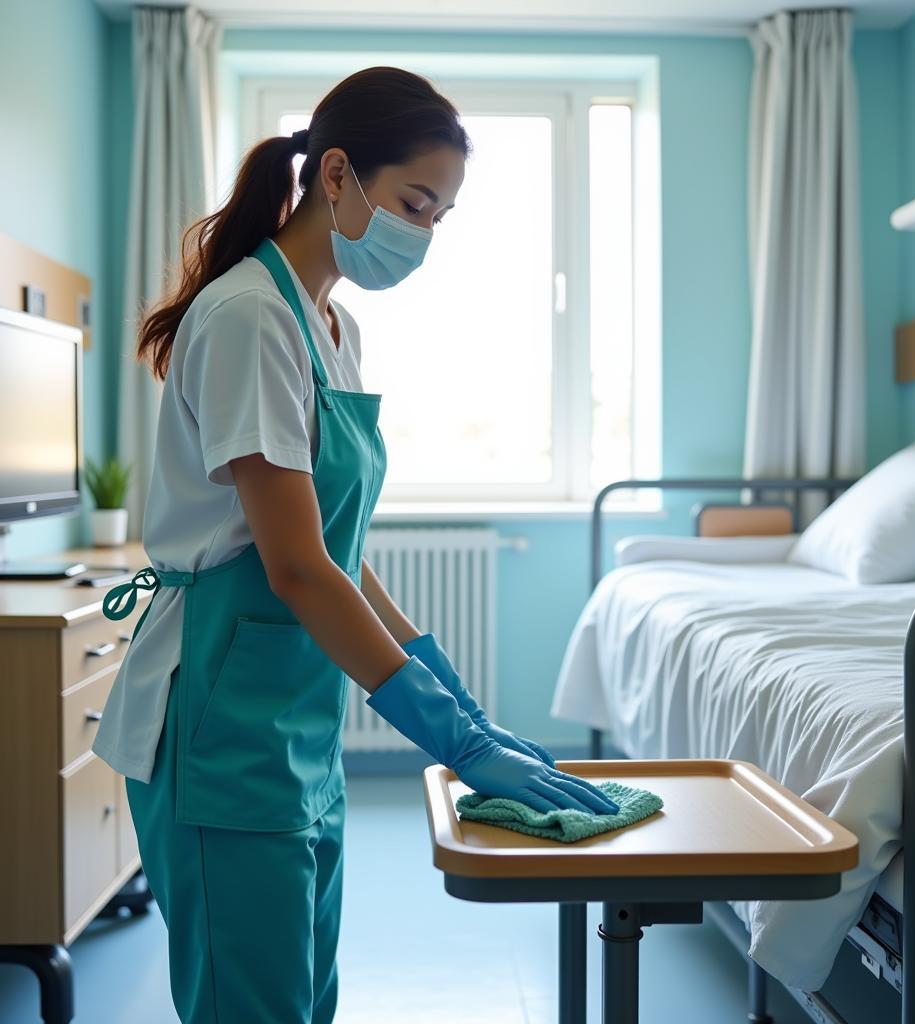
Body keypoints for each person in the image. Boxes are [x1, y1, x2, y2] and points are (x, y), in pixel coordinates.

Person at [91, 66, 618, 1024]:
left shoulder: (333, 325)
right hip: (221, 719)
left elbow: (337, 546)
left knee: (302, 998)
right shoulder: (251, 318)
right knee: (250, 1006)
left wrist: (452, 692)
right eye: (416, 201)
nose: (423, 231)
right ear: (336, 173)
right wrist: (447, 735)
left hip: (294, 722)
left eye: (441, 215)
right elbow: (292, 567)